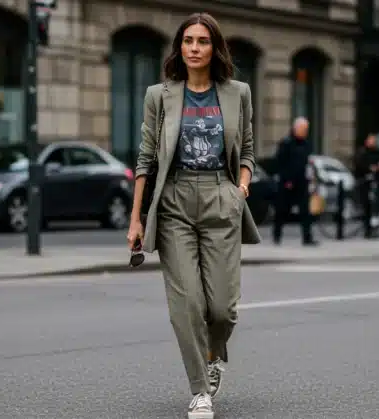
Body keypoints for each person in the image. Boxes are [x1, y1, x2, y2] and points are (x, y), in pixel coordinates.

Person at [126, 12, 261, 419]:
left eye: (203, 41)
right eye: (188, 41)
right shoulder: (159, 96)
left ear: (214, 47)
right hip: (174, 202)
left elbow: (249, 150)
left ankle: (213, 354)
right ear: (179, 47)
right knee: (186, 303)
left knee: (222, 308)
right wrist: (136, 218)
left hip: (221, 196)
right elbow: (146, 159)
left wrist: (240, 187)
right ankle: (200, 390)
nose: (195, 48)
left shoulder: (238, 92)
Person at [271, 117, 318, 246]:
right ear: (296, 129)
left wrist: (312, 179)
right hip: (288, 183)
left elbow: (308, 163)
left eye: (306, 129)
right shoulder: (286, 143)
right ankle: (277, 235)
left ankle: (307, 237)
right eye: (303, 129)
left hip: (302, 182)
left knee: (305, 211)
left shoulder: (307, 144)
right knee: (282, 210)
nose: (305, 132)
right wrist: (286, 180)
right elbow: (280, 163)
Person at [354, 133, 379, 238]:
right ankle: (367, 231)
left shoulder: (375, 153)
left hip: (373, 183)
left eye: (374, 140)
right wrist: (370, 168)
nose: (373, 142)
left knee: (373, 207)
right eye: (371, 140)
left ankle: (371, 230)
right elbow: (360, 165)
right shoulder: (362, 152)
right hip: (364, 182)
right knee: (366, 207)